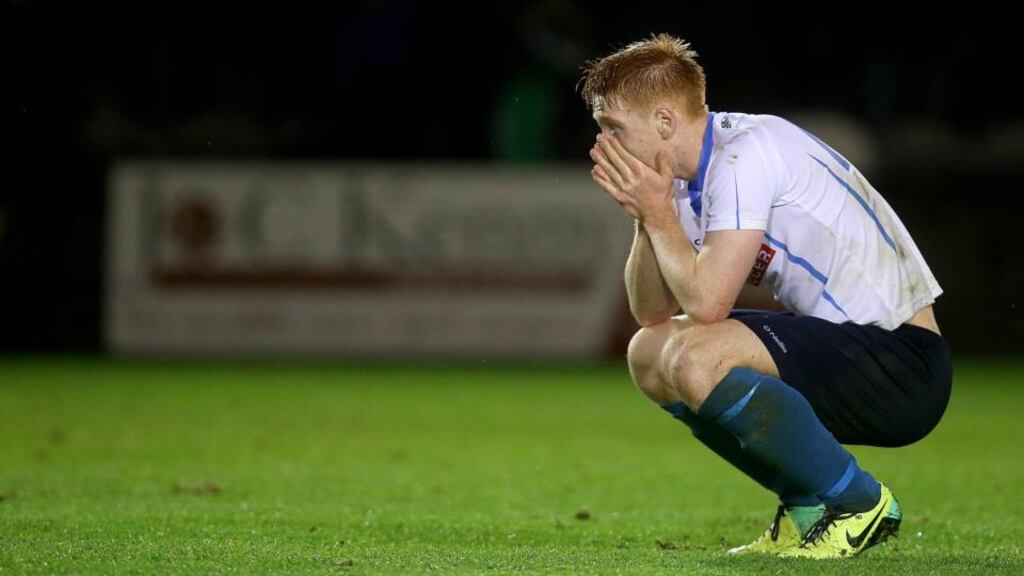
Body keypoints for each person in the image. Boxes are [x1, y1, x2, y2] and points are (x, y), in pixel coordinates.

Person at [580, 33, 952, 558]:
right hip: (850, 350)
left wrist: (660, 216)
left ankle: (859, 504)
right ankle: (809, 509)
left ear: (664, 122)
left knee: (696, 355)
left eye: (613, 129)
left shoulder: (743, 157)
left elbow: (706, 306)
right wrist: (648, 218)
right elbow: (653, 313)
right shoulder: (688, 180)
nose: (605, 147)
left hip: (902, 364)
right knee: (650, 352)